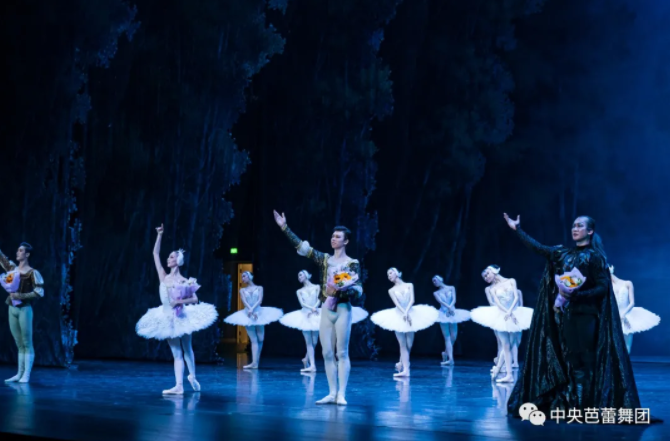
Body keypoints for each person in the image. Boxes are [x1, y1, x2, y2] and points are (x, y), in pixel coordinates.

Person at [504, 214, 644, 417]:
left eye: (580, 226)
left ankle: (583, 407)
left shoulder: (595, 257)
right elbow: (539, 248)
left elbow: (602, 287)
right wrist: (518, 230)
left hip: (586, 316)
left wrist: (577, 295)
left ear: (590, 231)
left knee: (584, 361)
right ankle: (572, 403)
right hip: (565, 317)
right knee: (568, 359)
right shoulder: (562, 253)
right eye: (573, 226)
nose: (575, 229)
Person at [273, 210, 362, 405]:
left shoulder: (352, 263)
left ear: (346, 241)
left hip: (342, 309)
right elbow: (303, 248)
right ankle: (332, 392)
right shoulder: (325, 259)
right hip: (326, 309)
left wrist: (342, 289)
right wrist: (284, 228)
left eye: (338, 237)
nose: (333, 238)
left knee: (342, 352)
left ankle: (341, 394)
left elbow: (358, 290)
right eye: (332, 236)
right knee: (327, 353)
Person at [136, 224, 218, 395]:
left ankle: (192, 376)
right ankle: (179, 386)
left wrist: (179, 301)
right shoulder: (163, 276)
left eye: (171, 257)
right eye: (168, 257)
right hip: (166, 316)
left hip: (182, 316)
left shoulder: (184, 281)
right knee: (176, 352)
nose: (168, 259)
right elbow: (155, 254)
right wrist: (159, 235)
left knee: (187, 347)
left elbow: (195, 299)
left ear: (178, 261)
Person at [371, 268, 438, 377]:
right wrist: (404, 313)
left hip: (411, 314)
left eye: (390, 273)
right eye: (387, 275)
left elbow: (412, 300)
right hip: (398, 316)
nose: (389, 276)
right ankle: (406, 370)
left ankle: (401, 362)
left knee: (409, 344)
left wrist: (406, 313)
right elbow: (397, 304)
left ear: (397, 273)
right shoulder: (391, 290)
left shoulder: (409, 285)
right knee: (402, 344)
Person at [471, 265, 532, 383]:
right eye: (484, 277)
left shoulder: (511, 281)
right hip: (501, 315)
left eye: (487, 274)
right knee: (505, 345)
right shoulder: (492, 289)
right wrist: (507, 312)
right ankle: (508, 374)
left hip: (514, 313)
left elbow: (516, 297)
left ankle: (500, 368)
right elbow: (497, 303)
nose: (486, 278)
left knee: (513, 342)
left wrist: (510, 312)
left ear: (493, 272)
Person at [0, 243, 44, 383]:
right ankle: (19, 373)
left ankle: (26, 374)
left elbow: (39, 292)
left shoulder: (32, 272)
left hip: (24, 309)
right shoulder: (13, 269)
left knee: (27, 342)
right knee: (19, 343)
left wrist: (21, 296)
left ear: (27, 254)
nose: (17, 252)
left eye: (21, 251)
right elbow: (2, 259)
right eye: (18, 250)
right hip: (12, 308)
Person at [223, 271, 283, 369]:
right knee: (254, 340)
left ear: (250, 276)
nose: (242, 278)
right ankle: (254, 363)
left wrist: (253, 309)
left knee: (261, 338)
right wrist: (250, 310)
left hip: (259, 313)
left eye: (244, 276)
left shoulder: (259, 288)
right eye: (242, 277)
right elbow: (244, 301)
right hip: (247, 314)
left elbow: (260, 300)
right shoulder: (242, 290)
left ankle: (256, 362)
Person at [609, 265, 660, 353]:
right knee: (614, 344)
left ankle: (626, 360)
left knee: (627, 345)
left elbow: (632, 303)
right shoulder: (609, 286)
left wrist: (623, 315)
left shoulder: (627, 283)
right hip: (614, 316)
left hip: (627, 315)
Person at [432, 275, 470, 366]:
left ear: (440, 280)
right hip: (443, 314)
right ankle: (451, 359)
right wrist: (448, 307)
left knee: (454, 336)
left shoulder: (451, 288)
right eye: (433, 281)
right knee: (447, 337)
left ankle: (445, 353)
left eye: (435, 280)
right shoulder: (436, 293)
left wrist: (451, 307)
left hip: (453, 313)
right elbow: (441, 302)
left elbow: (454, 299)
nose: (434, 282)